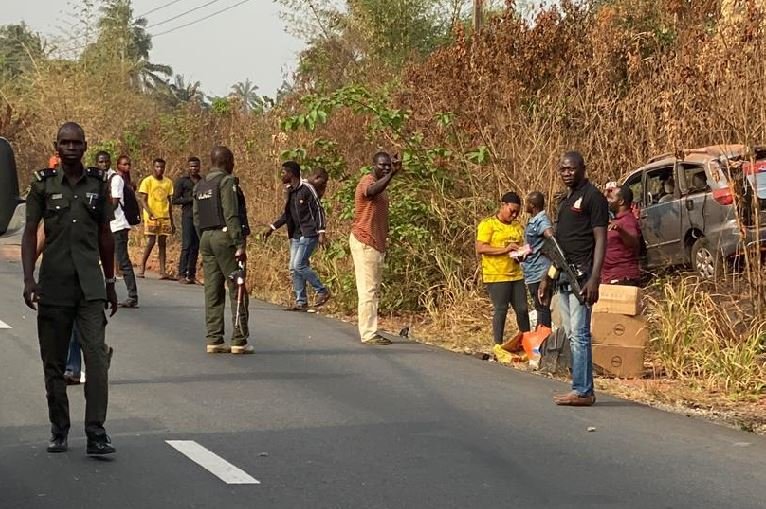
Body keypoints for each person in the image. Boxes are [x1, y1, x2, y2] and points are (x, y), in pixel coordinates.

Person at [21, 121, 118, 455]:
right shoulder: (42, 185)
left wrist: (110, 281)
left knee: (96, 359)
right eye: (66, 143)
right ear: (57, 146)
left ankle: (96, 432)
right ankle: (59, 429)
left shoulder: (98, 184)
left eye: (77, 143)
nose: (72, 148)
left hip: (90, 288)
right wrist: (28, 277)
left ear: (86, 146)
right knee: (54, 363)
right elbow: (30, 231)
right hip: (53, 286)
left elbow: (106, 235)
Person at [539, 151, 608, 407]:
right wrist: (548, 278)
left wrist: (595, 278)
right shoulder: (565, 202)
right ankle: (579, 388)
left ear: (583, 169)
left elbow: (601, 238)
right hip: (563, 276)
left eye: (571, 169)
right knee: (571, 333)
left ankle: (583, 390)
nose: (567, 173)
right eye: (563, 170)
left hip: (583, 275)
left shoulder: (593, 197)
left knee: (580, 334)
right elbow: (559, 248)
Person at [194, 146, 253, 354]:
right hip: (224, 237)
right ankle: (239, 339)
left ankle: (214, 338)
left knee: (212, 290)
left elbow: (196, 218)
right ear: (227, 161)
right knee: (236, 286)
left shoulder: (200, 185)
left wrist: (203, 239)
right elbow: (231, 213)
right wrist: (238, 243)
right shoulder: (226, 181)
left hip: (206, 238)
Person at [263, 161, 330, 311]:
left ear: (291, 173)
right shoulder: (290, 191)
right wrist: (272, 227)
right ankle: (301, 302)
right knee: (293, 268)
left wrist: (321, 232)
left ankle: (322, 290)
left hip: (309, 233)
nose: (282, 175)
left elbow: (318, 210)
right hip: (295, 234)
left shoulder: (307, 189)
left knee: (299, 265)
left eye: (284, 172)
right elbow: (288, 215)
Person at [349, 151, 400, 345]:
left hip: (377, 244)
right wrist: (392, 175)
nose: (386, 168)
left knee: (374, 290)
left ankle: (372, 329)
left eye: (388, 165)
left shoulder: (383, 185)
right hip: (364, 241)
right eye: (382, 165)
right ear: (373, 165)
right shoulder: (367, 181)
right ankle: (368, 333)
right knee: (368, 290)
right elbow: (370, 191)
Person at [476, 192, 530, 346]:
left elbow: (517, 247)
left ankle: (527, 343)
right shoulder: (488, 224)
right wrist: (504, 250)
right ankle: (497, 344)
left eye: (517, 212)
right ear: (503, 205)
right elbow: (481, 248)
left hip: (515, 274)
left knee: (522, 309)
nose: (514, 215)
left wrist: (522, 254)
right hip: (496, 275)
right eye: (511, 210)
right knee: (501, 309)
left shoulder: (517, 226)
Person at [100, 152, 139, 308]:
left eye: (106, 161)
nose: (103, 164)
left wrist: (101, 215)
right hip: (108, 226)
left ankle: (132, 296)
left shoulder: (115, 179)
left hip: (118, 225)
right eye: (100, 162)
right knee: (106, 260)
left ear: (110, 163)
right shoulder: (99, 179)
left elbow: (115, 203)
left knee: (123, 261)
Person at [138, 158, 175, 279]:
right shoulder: (147, 181)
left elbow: (169, 202)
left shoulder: (168, 182)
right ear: (153, 167)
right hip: (151, 216)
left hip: (164, 215)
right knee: (151, 241)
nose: (160, 169)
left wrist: (172, 220)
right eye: (157, 167)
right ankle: (142, 266)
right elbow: (143, 199)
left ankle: (163, 271)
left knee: (163, 243)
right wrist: (149, 212)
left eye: (162, 167)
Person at [521, 191, 553, 328]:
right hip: (532, 270)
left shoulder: (541, 220)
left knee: (542, 306)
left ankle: (544, 342)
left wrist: (545, 249)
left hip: (540, 271)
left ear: (532, 205)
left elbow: (551, 237)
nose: (525, 206)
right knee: (539, 305)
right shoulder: (534, 220)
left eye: (527, 203)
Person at [602, 185, 641, 285]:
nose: (608, 201)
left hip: (622, 278)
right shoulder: (615, 221)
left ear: (621, 202)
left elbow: (634, 242)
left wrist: (620, 230)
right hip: (610, 278)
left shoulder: (628, 220)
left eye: (611, 198)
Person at [173, 156, 202, 284]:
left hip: (200, 216)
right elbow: (175, 200)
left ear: (199, 167)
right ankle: (181, 273)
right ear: (188, 167)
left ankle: (192, 274)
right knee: (187, 244)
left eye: (196, 166)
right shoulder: (182, 181)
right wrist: (191, 199)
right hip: (188, 215)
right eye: (191, 166)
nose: (193, 168)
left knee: (196, 245)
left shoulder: (203, 181)